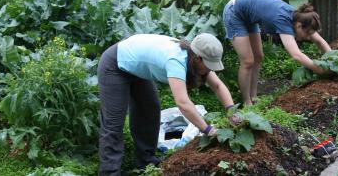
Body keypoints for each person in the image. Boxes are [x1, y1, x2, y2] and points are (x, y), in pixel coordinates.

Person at [97, 33, 238, 175]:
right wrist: (208, 130)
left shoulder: (194, 58)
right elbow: (183, 103)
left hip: (136, 66)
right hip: (115, 65)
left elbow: (218, 86)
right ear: (197, 58)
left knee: (149, 110)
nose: (210, 70)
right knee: (113, 125)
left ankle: (146, 163)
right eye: (208, 65)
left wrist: (232, 111)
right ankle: (109, 172)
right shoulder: (176, 60)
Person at [223, 0, 331, 106]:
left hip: (248, 16)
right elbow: (296, 55)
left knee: (258, 56)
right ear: (299, 26)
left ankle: (253, 96)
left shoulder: (299, 18)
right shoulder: (283, 21)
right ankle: (246, 101)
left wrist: (332, 58)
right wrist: (319, 69)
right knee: (248, 61)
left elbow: (320, 41)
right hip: (234, 12)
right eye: (308, 33)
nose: (309, 37)